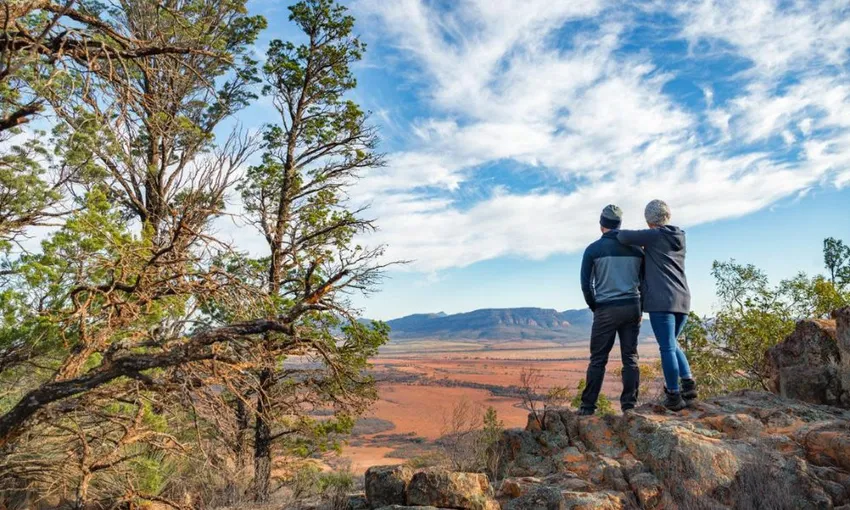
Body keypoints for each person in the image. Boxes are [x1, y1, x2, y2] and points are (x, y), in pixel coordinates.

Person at [618, 199, 697, 411]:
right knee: (672, 343)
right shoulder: (679, 236)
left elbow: (623, 236)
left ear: (649, 220)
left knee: (667, 347)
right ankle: (688, 385)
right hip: (683, 299)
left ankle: (673, 395)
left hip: (662, 301)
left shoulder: (654, 235)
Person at [578, 205, 644, 415]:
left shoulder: (593, 250)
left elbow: (586, 285)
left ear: (601, 225)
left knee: (598, 359)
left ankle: (588, 408)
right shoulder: (637, 249)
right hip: (632, 307)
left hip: (606, 309)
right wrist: (640, 308)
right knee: (630, 358)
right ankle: (629, 407)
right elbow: (644, 282)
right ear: (619, 224)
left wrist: (595, 306)